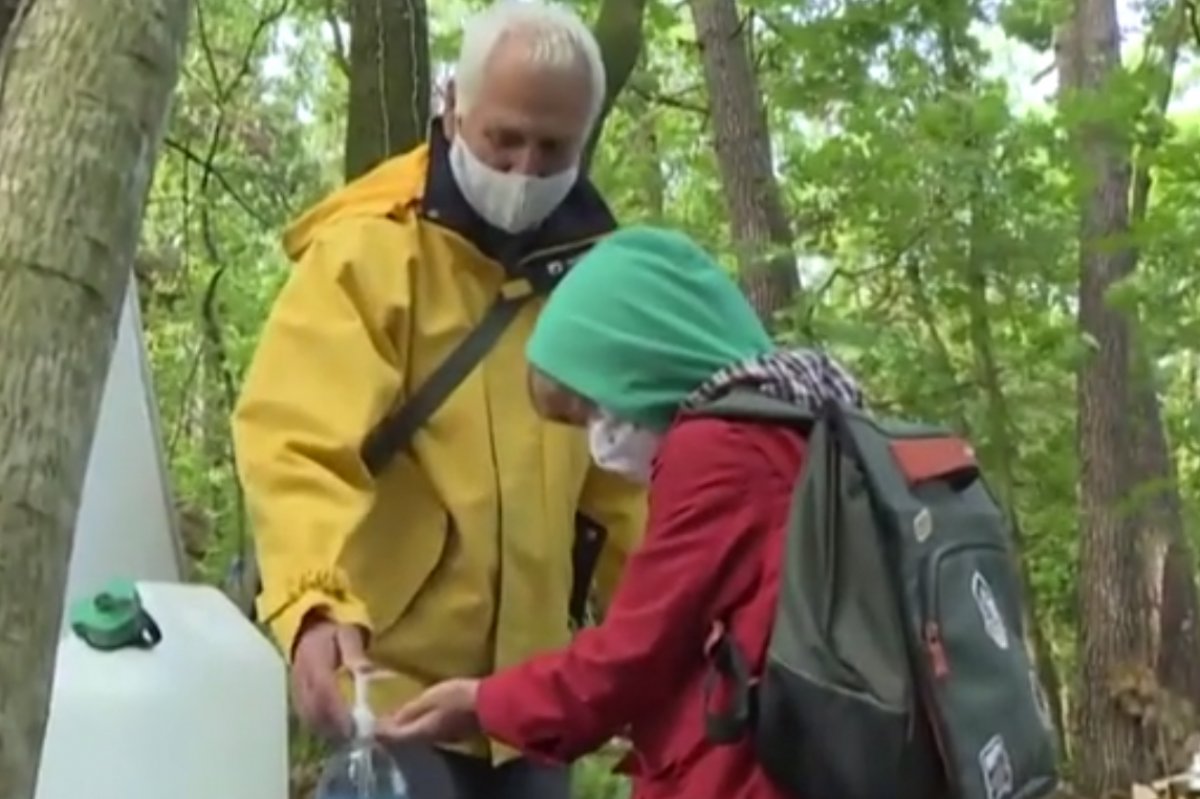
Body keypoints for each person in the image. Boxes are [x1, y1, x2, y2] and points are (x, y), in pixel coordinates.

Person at [230, 3, 646, 798]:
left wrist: (663, 660)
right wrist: (312, 605)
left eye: (553, 147)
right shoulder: (368, 252)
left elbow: (626, 492)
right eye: (504, 139)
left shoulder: (593, 283)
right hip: (390, 691)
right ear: (454, 107)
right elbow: (296, 443)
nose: (526, 171)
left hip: (527, 709)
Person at [373, 225, 865, 799]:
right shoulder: (811, 433)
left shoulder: (717, 453)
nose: (599, 442)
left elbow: (630, 656)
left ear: (639, 363)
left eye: (592, 411)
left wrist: (481, 703)